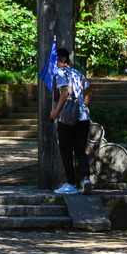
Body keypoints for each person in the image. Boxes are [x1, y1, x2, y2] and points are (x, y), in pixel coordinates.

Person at [50, 48, 96, 195]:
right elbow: (91, 92)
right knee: (81, 151)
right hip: (83, 117)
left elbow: (65, 91)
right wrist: (82, 106)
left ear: (60, 61)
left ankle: (71, 184)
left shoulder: (60, 73)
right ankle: (86, 179)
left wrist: (56, 111)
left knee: (66, 150)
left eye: (55, 60)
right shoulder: (78, 73)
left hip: (66, 119)